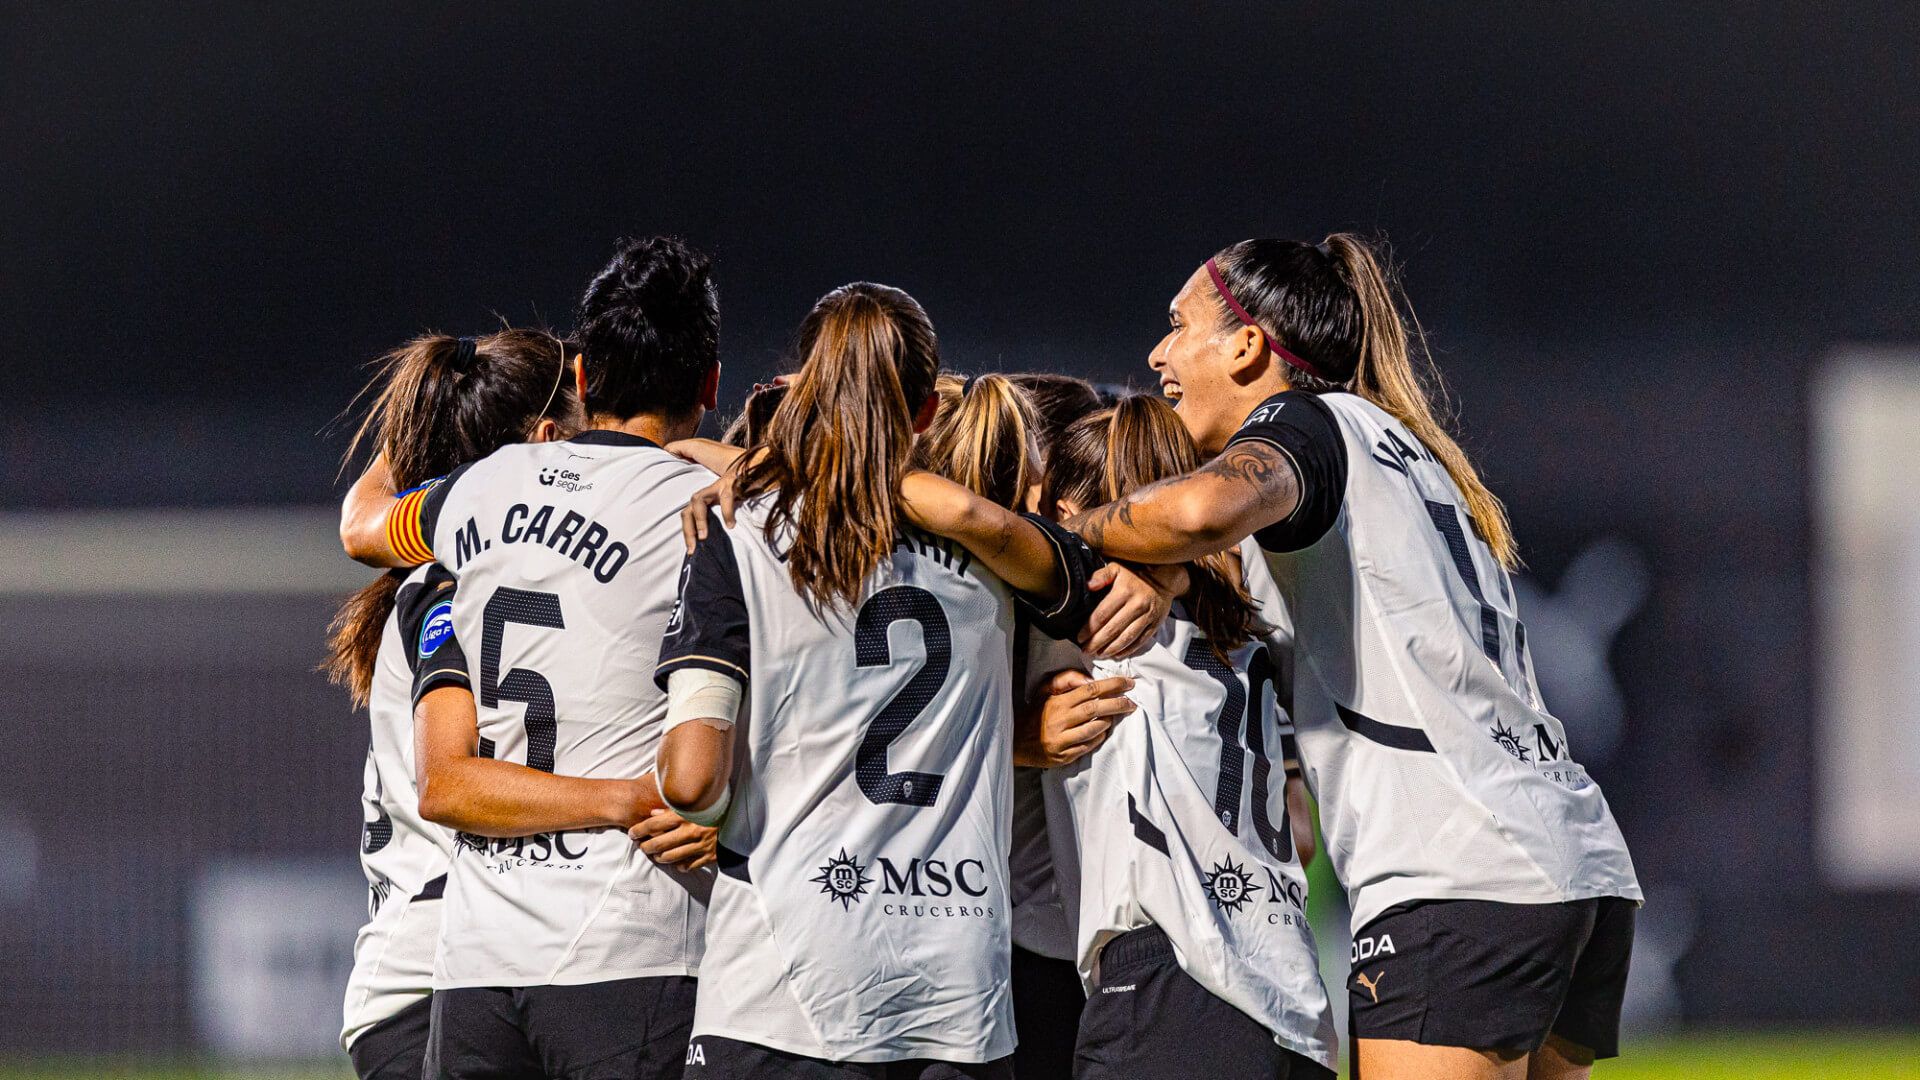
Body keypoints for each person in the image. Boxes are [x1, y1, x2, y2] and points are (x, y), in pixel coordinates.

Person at [1063, 235, 1642, 1080]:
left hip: (1458, 868)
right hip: (1572, 859)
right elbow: (1228, 555)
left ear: (1247, 344)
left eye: (1179, 325)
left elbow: (1197, 512)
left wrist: (1077, 533)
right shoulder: (1405, 452)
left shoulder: (1305, 425)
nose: (1159, 354)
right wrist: (1170, 568)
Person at [653, 283, 1126, 1078]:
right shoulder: (1000, 560)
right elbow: (1063, 566)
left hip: (784, 985)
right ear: (925, 413)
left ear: (803, 395)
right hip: (958, 986)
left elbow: (694, 783)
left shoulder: (741, 531)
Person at [339, 236, 728, 1080]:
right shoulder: (719, 513)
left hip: (478, 963)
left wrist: (413, 429)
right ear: (710, 385)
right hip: (629, 940)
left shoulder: (478, 493)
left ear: (586, 377)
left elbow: (362, 528)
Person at [1028, 395, 1337, 1078]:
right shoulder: (1247, 630)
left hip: (1172, 980)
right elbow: (1302, 831)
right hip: (1291, 1003)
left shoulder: (1089, 615)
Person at [323, 328, 585, 1080]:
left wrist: (431, 421)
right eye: (578, 419)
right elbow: (454, 784)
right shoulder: (468, 575)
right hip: (434, 980)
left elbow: (359, 520)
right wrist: (628, 801)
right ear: (542, 439)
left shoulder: (449, 535)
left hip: (450, 971)